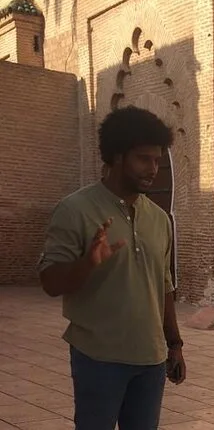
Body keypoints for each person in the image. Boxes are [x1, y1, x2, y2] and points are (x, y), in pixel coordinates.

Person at [37, 106, 186, 430]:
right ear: (117, 156)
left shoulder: (159, 218)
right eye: (143, 159)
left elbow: (163, 285)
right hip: (98, 358)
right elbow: (50, 283)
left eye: (157, 160)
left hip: (150, 360)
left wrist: (174, 344)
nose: (153, 169)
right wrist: (88, 263)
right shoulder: (75, 210)